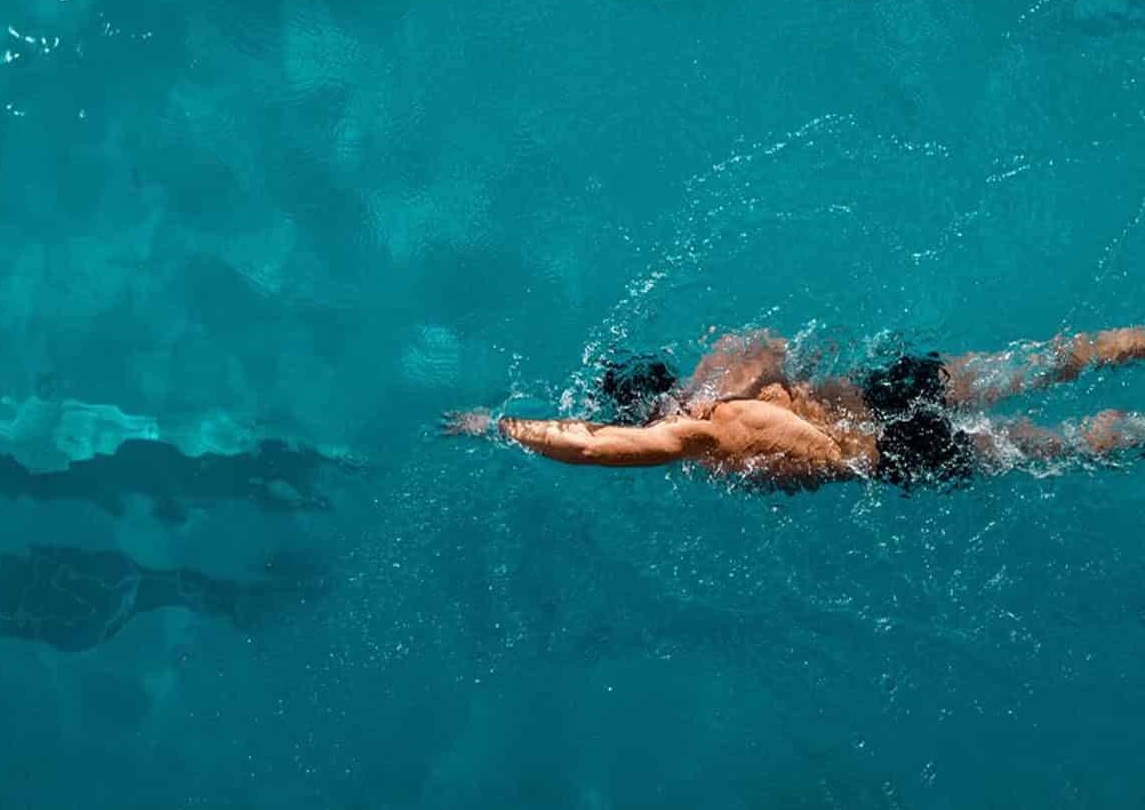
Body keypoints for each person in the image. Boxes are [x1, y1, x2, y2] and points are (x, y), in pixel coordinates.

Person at [442, 326, 1145, 489]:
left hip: (885, 453)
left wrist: (500, 428)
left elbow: (592, 447)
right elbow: (768, 340)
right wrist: (714, 386)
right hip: (883, 394)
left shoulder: (693, 435)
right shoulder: (723, 372)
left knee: (1072, 440)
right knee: (1052, 358)